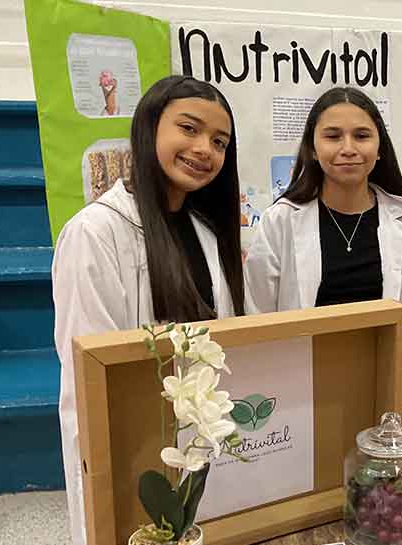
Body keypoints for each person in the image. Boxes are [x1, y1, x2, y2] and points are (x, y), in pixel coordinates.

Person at [53, 75, 245, 545]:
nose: (204, 149)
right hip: (129, 439)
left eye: (219, 142)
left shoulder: (206, 231)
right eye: (189, 129)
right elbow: (90, 365)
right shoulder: (97, 232)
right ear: (148, 128)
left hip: (197, 436)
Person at [243, 86, 402, 442]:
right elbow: (258, 315)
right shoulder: (281, 220)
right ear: (312, 148)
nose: (348, 148)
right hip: (301, 392)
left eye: (362, 135)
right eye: (333, 136)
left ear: (379, 148)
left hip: (384, 393)